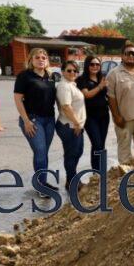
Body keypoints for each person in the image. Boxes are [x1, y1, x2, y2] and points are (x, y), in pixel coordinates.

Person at [13, 48, 58, 195]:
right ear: (31, 60)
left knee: (43, 153)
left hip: (49, 120)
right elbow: (18, 99)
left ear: (47, 61)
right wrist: (26, 121)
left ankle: (42, 182)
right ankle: (41, 186)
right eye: (37, 57)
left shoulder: (51, 76)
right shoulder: (25, 76)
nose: (41, 59)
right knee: (40, 151)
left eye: (44, 57)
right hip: (32, 119)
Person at [106, 43, 134, 164]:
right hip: (124, 119)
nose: (131, 56)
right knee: (124, 149)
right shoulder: (114, 73)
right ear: (122, 56)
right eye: (128, 53)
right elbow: (111, 97)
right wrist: (116, 117)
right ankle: (125, 176)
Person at [55, 60, 86, 191]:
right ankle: (72, 182)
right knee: (72, 154)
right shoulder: (64, 86)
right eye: (69, 70)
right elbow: (66, 106)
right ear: (62, 72)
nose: (72, 72)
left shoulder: (71, 84)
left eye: (75, 70)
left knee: (76, 153)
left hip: (74, 125)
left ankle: (71, 180)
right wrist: (76, 122)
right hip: (69, 126)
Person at [77, 55, 110, 170]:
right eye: (92, 64)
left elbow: (108, 95)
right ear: (87, 65)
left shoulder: (102, 78)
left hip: (104, 116)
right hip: (90, 117)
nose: (95, 66)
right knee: (97, 144)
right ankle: (97, 171)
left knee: (100, 144)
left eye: (97, 64)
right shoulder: (82, 79)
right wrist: (100, 87)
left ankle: (99, 171)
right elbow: (87, 95)